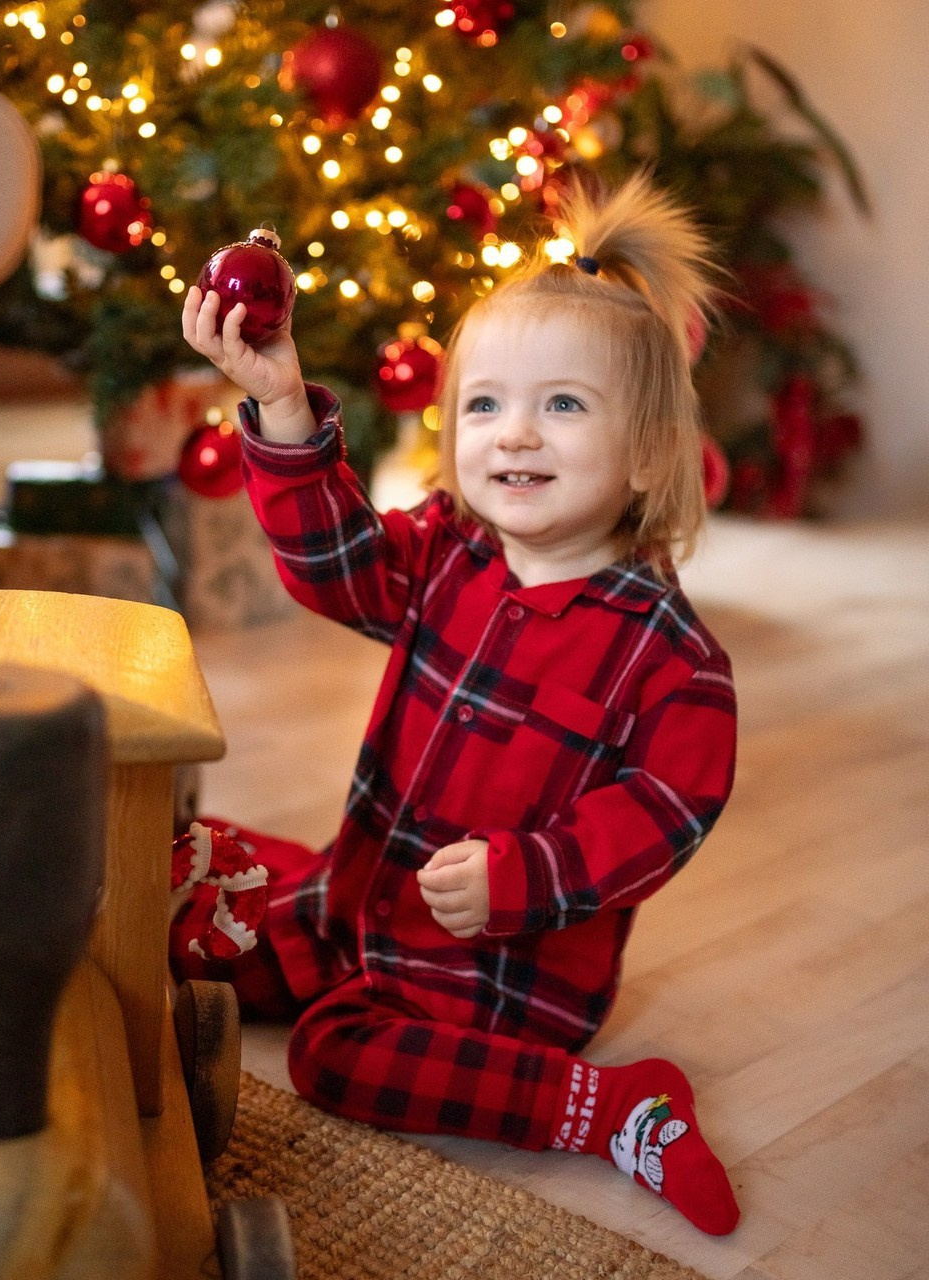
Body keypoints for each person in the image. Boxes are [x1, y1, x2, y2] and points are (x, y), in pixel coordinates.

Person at [175, 172, 740, 1236]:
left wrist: (522, 877)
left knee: (333, 1055)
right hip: (360, 896)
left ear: (652, 451)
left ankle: (608, 1106)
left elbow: (662, 813)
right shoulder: (449, 548)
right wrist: (282, 401)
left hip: (493, 969)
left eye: (561, 405)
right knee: (187, 890)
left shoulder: (672, 659)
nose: (513, 435)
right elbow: (334, 562)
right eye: (484, 404)